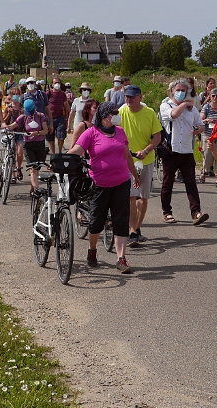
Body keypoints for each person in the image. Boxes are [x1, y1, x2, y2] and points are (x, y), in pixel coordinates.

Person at [68, 102, 140, 274]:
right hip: (100, 185)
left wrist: (135, 175)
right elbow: (77, 149)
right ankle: (92, 250)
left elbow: (127, 155)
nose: (117, 115)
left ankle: (121, 258)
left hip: (122, 182)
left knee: (120, 221)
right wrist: (61, 160)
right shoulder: (91, 133)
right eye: (114, 112)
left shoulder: (120, 132)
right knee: (96, 223)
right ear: (105, 115)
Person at [159, 79, 209, 225]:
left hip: (187, 150)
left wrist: (198, 130)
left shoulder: (192, 109)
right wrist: (184, 104)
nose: (181, 93)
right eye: (178, 90)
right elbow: (173, 115)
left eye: (184, 91)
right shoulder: (165, 105)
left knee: (191, 183)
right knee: (167, 183)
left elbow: (201, 126)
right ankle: (167, 212)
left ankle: (196, 212)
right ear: (172, 91)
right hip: (171, 150)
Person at [119, 85, 163, 247]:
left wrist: (146, 150)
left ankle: (137, 228)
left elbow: (157, 137)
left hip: (146, 159)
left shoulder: (149, 113)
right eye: (127, 97)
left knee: (143, 197)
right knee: (131, 195)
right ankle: (131, 230)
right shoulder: (121, 112)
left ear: (140, 97)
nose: (129, 100)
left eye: (132, 97)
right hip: (127, 160)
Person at [4, 98, 48, 192]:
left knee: (37, 168)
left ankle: (33, 188)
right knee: (33, 169)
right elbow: (12, 126)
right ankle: (37, 189)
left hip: (40, 144)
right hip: (28, 145)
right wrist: (2, 127)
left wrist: (37, 133)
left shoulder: (41, 116)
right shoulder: (23, 117)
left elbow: (46, 130)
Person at [200, 88, 217, 186]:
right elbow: (200, 119)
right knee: (207, 155)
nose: (215, 98)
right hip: (208, 135)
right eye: (213, 96)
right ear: (210, 97)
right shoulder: (206, 107)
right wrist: (206, 120)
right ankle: (204, 171)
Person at [2, 89, 25, 182]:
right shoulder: (8, 107)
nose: (16, 96)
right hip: (10, 132)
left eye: (17, 94)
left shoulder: (22, 107)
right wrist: (9, 114)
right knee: (11, 153)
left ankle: (18, 168)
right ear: (10, 96)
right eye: (14, 94)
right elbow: (3, 121)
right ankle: (12, 175)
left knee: (20, 151)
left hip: (20, 132)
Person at [47, 78, 70, 154]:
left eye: (58, 83)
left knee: (61, 136)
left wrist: (66, 118)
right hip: (50, 119)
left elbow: (66, 107)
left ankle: (60, 152)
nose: (57, 84)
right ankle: (53, 154)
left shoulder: (63, 94)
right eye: (55, 82)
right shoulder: (48, 94)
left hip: (60, 118)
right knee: (50, 138)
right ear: (52, 84)